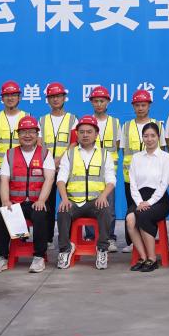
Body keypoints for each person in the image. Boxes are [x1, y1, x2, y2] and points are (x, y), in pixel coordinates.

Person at [0, 115, 55, 274]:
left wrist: (41, 200)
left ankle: (39, 256)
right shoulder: (10, 154)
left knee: (40, 214)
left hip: (35, 201)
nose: (27, 135)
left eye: (31, 132)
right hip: (15, 201)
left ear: (37, 134)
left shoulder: (45, 154)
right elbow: (4, 180)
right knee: (3, 213)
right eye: (23, 132)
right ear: (18, 135)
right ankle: (2, 257)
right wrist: (6, 200)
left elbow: (49, 179)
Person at [56, 115, 117, 270]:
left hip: (95, 202)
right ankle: (65, 250)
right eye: (82, 132)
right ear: (77, 134)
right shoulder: (69, 154)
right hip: (74, 202)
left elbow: (111, 180)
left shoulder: (105, 154)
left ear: (96, 134)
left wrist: (103, 196)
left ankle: (102, 249)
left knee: (106, 209)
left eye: (89, 132)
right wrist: (64, 199)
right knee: (62, 211)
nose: (85, 135)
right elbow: (61, 179)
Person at [125, 122, 169, 272]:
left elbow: (163, 185)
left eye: (153, 136)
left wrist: (149, 202)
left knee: (143, 215)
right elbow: (132, 184)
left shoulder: (165, 157)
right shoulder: (136, 157)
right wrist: (140, 202)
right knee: (130, 218)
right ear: (142, 138)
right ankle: (143, 256)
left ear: (158, 137)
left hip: (160, 200)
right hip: (140, 198)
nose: (149, 139)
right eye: (146, 136)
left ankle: (152, 259)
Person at [119, 89, 163, 253]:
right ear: (133, 106)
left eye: (143, 105)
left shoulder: (157, 125)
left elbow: (162, 150)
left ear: (149, 105)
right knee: (132, 207)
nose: (140, 108)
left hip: (152, 178)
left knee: (151, 208)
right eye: (137, 105)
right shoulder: (126, 126)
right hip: (131, 177)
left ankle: (149, 237)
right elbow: (122, 150)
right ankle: (131, 242)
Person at [0, 82, 25, 249]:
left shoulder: (26, 116)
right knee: (0, 206)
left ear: (19, 97)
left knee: (20, 205)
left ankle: (19, 240)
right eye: (7, 95)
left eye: (13, 95)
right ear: (2, 98)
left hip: (20, 170)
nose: (10, 98)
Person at [87, 86, 123, 251]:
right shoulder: (86, 121)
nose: (99, 104)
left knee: (109, 207)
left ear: (108, 102)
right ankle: (90, 236)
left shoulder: (115, 123)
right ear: (91, 103)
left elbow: (117, 146)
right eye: (95, 101)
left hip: (109, 172)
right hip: (89, 171)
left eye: (102, 101)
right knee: (88, 203)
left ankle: (110, 238)